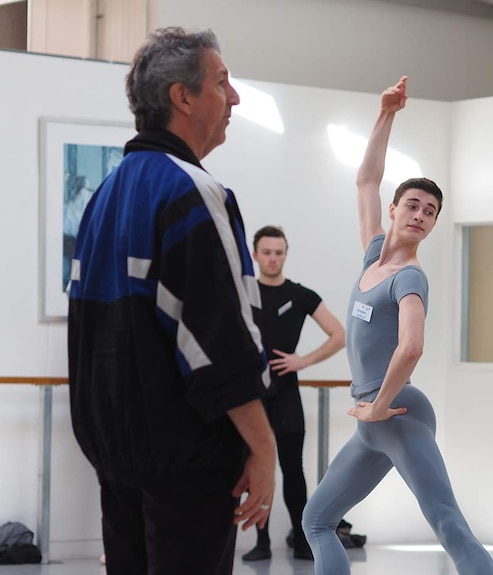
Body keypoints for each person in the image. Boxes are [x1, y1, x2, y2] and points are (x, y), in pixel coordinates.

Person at [67, 27, 276, 575]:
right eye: (223, 83)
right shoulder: (194, 192)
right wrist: (263, 448)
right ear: (182, 97)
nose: (234, 99)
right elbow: (219, 338)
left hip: (118, 457)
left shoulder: (105, 195)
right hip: (187, 462)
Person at [301, 76, 493, 575]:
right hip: (373, 421)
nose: (420, 214)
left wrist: (381, 407)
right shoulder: (373, 257)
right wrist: (386, 113)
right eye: (412, 204)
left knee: (448, 523)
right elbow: (367, 179)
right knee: (318, 520)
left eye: (430, 212)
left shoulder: (410, 279)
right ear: (393, 211)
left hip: (400, 414)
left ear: (432, 227)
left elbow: (411, 347)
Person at [242, 225, 346, 562]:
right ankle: (261, 543)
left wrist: (304, 361)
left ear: (285, 254)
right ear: (255, 254)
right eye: (267, 252)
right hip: (251, 395)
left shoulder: (301, 295)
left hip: (286, 394)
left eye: (279, 253)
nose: (273, 259)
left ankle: (303, 542)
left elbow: (338, 334)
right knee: (257, 467)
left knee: (292, 469)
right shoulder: (241, 293)